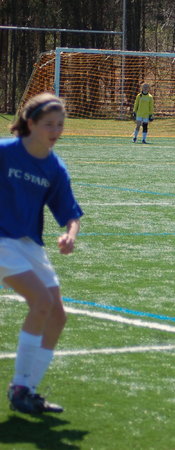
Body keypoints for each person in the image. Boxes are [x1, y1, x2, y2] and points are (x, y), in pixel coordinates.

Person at [1, 93, 84, 414]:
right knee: (41, 302)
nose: (56, 131)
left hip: (28, 243)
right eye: (49, 124)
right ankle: (20, 387)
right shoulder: (5, 152)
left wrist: (70, 235)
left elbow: (70, 213)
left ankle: (28, 390)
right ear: (30, 123)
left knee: (57, 316)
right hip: (1, 240)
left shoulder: (54, 167)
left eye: (60, 125)